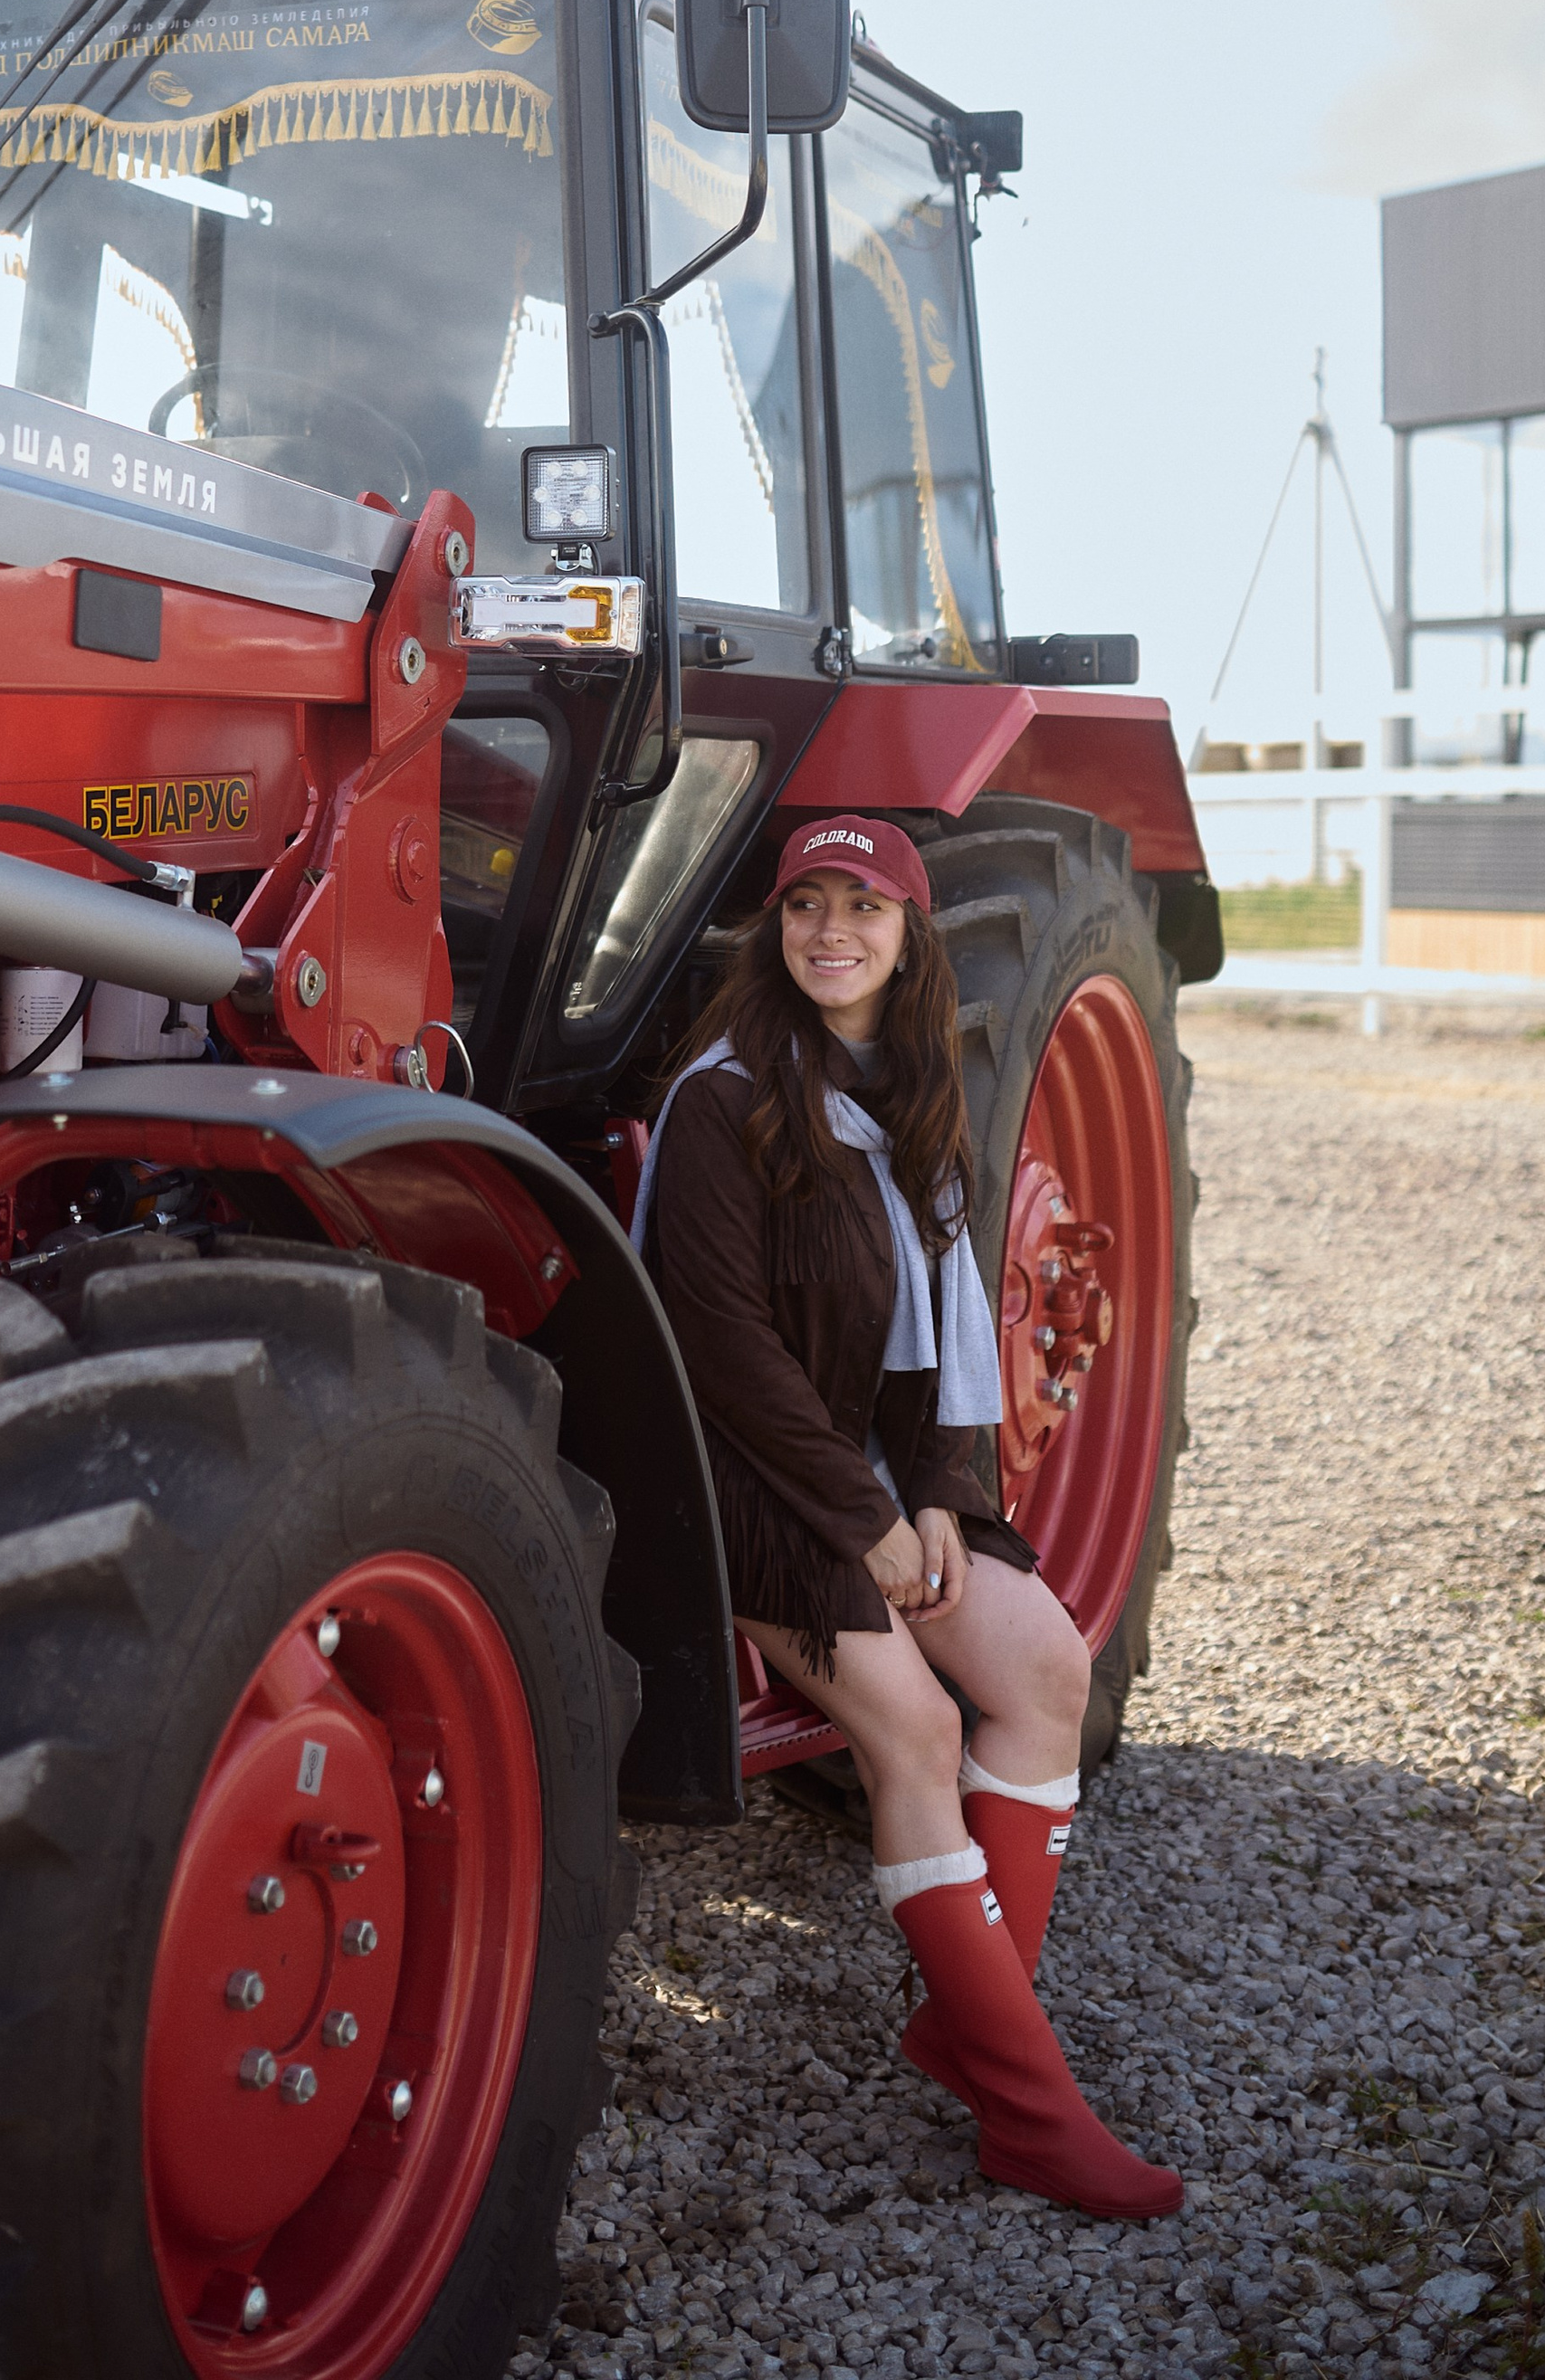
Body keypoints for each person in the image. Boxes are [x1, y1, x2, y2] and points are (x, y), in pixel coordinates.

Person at [634, 814, 1180, 2220]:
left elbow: (952, 1345)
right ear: (777, 926)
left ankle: (963, 2020)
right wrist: (865, 1519)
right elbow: (719, 1345)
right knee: (918, 1727)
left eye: (863, 908)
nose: (832, 932)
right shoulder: (723, 1096)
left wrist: (940, 1494)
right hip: (738, 1472)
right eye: (807, 904)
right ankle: (1031, 2112)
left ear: (908, 933)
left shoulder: (918, 1090)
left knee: (1049, 1668)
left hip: (867, 1474)